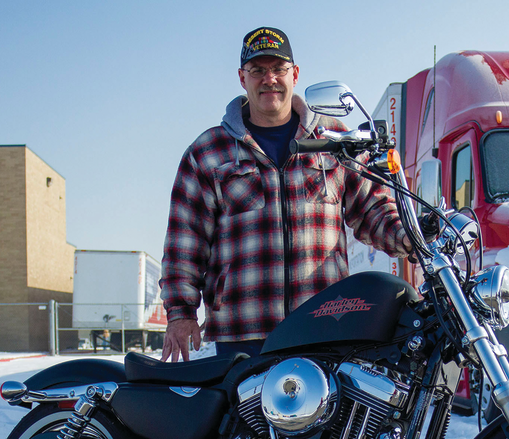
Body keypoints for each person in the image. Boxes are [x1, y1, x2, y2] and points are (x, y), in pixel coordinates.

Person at [159, 26, 411, 362]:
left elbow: (373, 210)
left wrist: (412, 235)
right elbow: (184, 242)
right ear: (241, 78)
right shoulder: (208, 151)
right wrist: (180, 312)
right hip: (244, 335)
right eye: (258, 70)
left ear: (295, 74)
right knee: (242, 417)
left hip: (325, 325)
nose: (269, 80)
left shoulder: (333, 140)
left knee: (334, 415)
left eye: (278, 69)